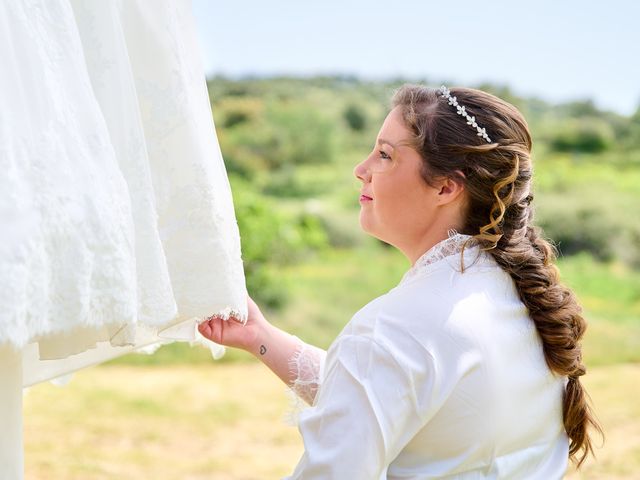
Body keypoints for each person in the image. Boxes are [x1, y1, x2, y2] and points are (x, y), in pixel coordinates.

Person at [197, 84, 601, 479]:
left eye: (385, 155)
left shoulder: (391, 330)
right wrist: (260, 336)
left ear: (446, 187)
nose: (361, 170)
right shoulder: (515, 296)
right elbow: (400, 398)